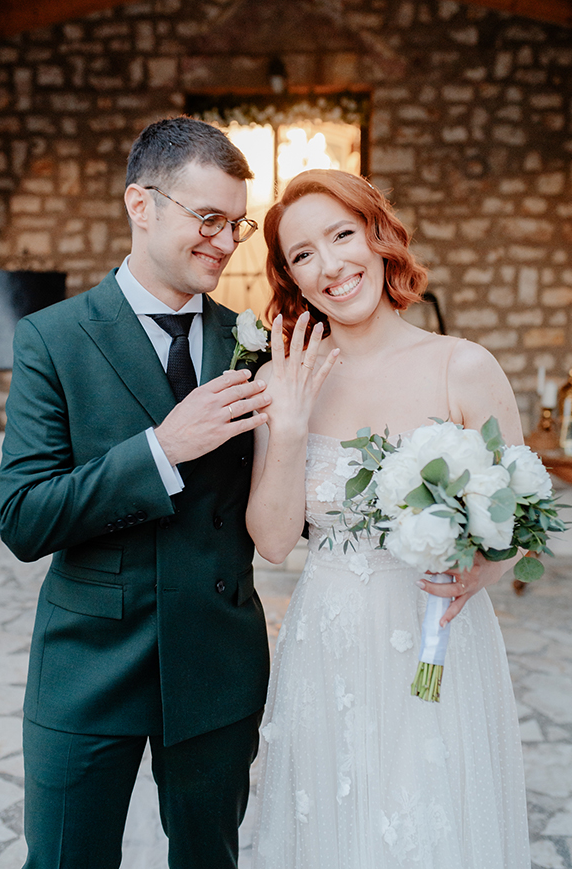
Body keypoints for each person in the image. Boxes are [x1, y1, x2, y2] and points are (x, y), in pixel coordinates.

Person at [0, 116, 271, 869]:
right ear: (140, 205)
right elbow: (23, 517)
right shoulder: (51, 338)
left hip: (218, 666)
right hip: (89, 665)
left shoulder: (253, 344)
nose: (223, 240)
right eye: (207, 217)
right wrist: (161, 450)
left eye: (236, 225)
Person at [246, 169, 531, 868]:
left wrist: (477, 572)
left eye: (342, 235)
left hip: (440, 640)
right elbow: (276, 542)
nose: (331, 266)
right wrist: (288, 426)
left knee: (428, 823)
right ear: (291, 278)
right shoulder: (277, 377)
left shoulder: (461, 367)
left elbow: (521, 517)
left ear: (379, 238)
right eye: (302, 254)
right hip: (330, 640)